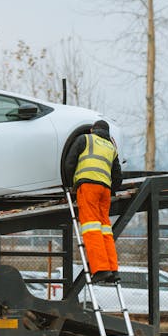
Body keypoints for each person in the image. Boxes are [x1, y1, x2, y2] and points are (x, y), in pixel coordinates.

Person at [66, 120, 123, 284]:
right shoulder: (111, 148)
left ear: (93, 130)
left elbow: (70, 163)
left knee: (91, 227)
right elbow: (118, 176)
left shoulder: (85, 139)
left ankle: (100, 269)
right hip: (104, 191)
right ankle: (113, 269)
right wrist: (112, 190)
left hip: (88, 186)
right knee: (105, 229)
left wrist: (70, 185)